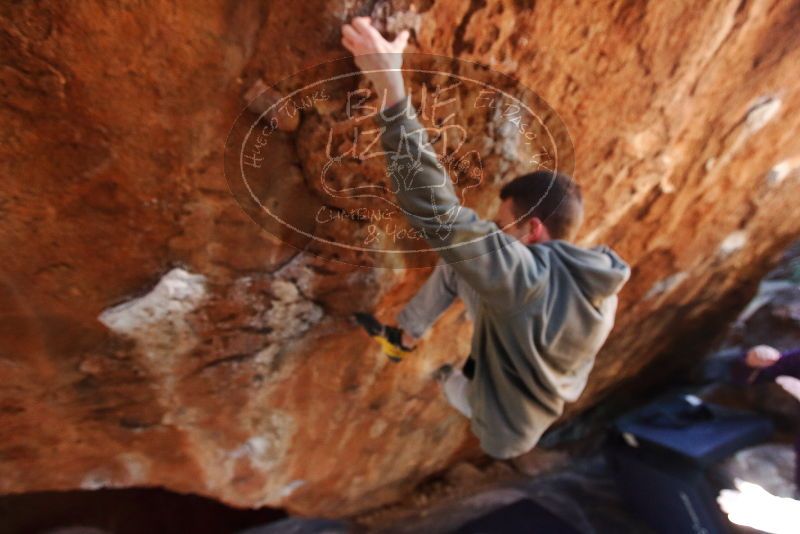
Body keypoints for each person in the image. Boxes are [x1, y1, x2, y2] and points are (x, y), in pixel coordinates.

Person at [341, 17, 631, 460]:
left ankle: (444, 376)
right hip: (534, 368)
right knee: (461, 265)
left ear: (532, 230)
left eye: (502, 226)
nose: (494, 233)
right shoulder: (600, 281)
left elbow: (436, 211)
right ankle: (406, 339)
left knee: (453, 384)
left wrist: (389, 85)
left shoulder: (525, 281)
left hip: (503, 428)